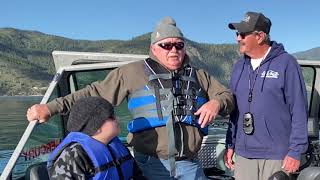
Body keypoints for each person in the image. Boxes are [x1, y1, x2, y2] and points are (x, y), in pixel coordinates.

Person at [27, 16, 234, 180]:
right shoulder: (132, 73)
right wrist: (51, 108)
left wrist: (216, 102)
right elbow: (93, 93)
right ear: (154, 48)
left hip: (190, 164)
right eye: (166, 45)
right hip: (152, 165)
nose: (173, 50)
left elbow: (227, 97)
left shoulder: (199, 76)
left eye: (178, 45)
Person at [224, 11, 308, 180]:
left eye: (242, 34)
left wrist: (296, 150)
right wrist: (230, 143)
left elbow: (299, 110)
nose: (238, 38)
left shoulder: (286, 63)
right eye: (236, 34)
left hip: (277, 155)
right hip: (244, 155)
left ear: (260, 36)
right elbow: (234, 111)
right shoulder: (238, 67)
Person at [47, 97, 143, 180]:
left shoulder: (116, 146)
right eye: (111, 117)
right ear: (95, 127)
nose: (118, 119)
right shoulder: (73, 155)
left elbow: (138, 175)